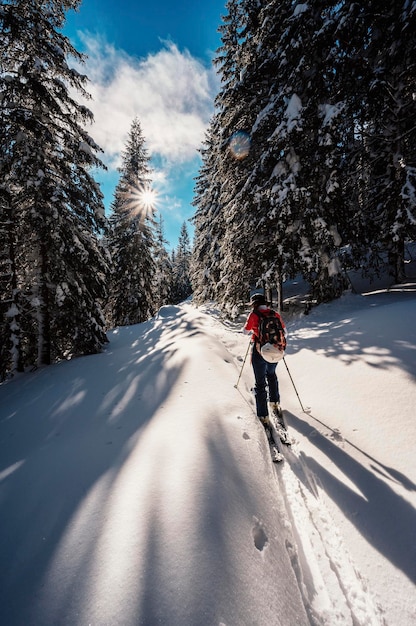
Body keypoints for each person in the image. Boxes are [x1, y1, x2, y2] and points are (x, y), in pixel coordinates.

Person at [243, 293, 286, 429]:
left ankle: (263, 416)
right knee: (271, 375)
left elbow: (245, 331)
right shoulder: (274, 314)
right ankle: (275, 402)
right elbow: (284, 331)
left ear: (254, 304)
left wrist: (255, 332)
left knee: (260, 383)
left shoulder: (254, 314)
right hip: (275, 350)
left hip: (260, 350)